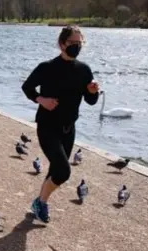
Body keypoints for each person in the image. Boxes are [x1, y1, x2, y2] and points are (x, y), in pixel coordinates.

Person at [21, 25, 99, 223]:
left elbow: (91, 101)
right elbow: (27, 87)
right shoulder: (47, 67)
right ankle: (41, 203)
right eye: (72, 43)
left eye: (79, 43)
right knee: (63, 171)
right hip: (47, 126)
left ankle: (39, 203)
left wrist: (92, 91)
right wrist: (42, 100)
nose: (76, 46)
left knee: (55, 169)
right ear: (61, 44)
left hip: (68, 128)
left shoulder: (84, 70)